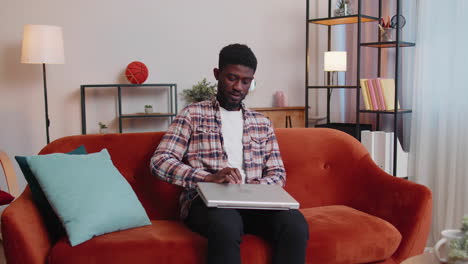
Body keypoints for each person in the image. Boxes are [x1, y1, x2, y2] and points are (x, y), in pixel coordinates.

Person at [150, 43, 309, 264]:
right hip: (207, 204)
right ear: (217, 74)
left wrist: (254, 190)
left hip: (254, 204)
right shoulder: (192, 114)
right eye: (232, 78)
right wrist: (208, 177)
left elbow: (277, 173)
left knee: (295, 224)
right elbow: (160, 161)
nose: (238, 87)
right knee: (226, 224)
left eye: (246, 82)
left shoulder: (262, 123)